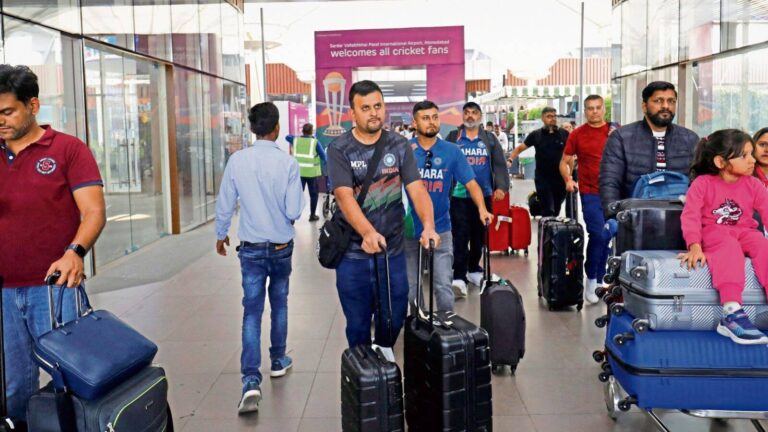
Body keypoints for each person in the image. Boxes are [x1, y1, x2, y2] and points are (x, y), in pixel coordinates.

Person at [0, 65, 106, 425]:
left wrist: (74, 253)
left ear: (33, 105)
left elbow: (93, 211)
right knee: (14, 387)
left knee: (72, 380)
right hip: (3, 292)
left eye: (7, 111)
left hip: (54, 288)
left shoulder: (68, 150)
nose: (0, 120)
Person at [327, 80, 439, 361]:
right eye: (365, 108)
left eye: (378, 106)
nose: (374, 113)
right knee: (357, 323)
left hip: (393, 250)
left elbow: (416, 189)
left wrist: (428, 225)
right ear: (353, 113)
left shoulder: (398, 145)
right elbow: (344, 197)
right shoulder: (339, 148)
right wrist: (366, 232)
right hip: (353, 254)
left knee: (396, 311)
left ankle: (384, 355)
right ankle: (363, 375)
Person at [215, 102, 305, 414]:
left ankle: (250, 380)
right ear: (277, 128)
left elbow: (226, 201)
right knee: (279, 303)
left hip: (251, 249)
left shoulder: (237, 161)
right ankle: (278, 360)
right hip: (281, 247)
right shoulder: (288, 164)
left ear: (253, 129)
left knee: (251, 312)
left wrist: (221, 233)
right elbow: (294, 211)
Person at [679, 129, 768, 345]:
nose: (752, 160)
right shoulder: (703, 184)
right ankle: (731, 313)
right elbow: (690, 216)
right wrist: (694, 246)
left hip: (745, 231)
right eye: (744, 155)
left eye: (751, 154)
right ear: (720, 161)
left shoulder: (754, 184)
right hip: (714, 232)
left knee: (763, 245)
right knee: (729, 248)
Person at [405, 101, 493, 311]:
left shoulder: (452, 151)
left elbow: (472, 184)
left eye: (435, 117)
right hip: (408, 230)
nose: (431, 122)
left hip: (441, 228)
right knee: (411, 287)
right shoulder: (405, 151)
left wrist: (482, 208)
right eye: (425, 118)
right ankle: (420, 323)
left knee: (443, 285)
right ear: (414, 122)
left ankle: (447, 331)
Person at [599, 81, 699, 211]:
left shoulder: (690, 139)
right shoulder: (622, 138)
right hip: (636, 218)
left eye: (671, 101)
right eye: (658, 101)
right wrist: (615, 218)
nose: (666, 106)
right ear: (644, 106)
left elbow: (700, 181)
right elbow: (609, 183)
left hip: (682, 218)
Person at [446, 102, 509, 294]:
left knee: (480, 235)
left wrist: (501, 186)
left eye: (474, 113)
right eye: (467, 113)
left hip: (485, 195)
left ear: (480, 116)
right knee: (460, 235)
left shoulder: (489, 139)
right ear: (463, 116)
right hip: (458, 196)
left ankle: (474, 268)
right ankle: (459, 275)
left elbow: (499, 164)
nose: (470, 116)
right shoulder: (453, 137)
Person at [559, 95, 614, 304]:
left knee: (609, 236)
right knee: (598, 234)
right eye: (590, 108)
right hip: (590, 191)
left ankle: (601, 278)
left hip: (614, 192)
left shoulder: (614, 132)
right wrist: (568, 178)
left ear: (604, 110)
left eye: (598, 108)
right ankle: (592, 277)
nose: (594, 112)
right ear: (585, 111)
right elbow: (564, 162)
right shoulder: (577, 135)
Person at [507, 107, 569, 217]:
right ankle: (546, 230)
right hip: (543, 178)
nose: (553, 119)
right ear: (543, 118)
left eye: (554, 116)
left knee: (556, 209)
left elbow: (572, 153)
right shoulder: (536, 135)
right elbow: (519, 149)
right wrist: (510, 159)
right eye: (549, 116)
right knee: (548, 210)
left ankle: (550, 231)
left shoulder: (564, 134)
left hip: (560, 178)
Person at [287, 123, 327, 221]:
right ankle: (312, 215)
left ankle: (292, 218)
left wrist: (297, 137)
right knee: (313, 195)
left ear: (303, 131)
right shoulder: (315, 142)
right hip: (312, 174)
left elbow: (287, 137)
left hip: (299, 173)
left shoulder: (295, 140)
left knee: (297, 195)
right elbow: (324, 157)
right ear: (311, 131)